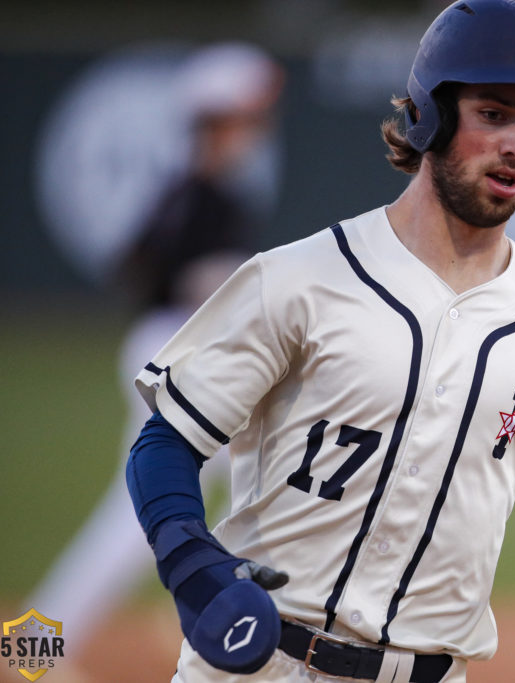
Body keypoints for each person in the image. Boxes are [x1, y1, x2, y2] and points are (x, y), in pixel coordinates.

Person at [125, 2, 515, 681]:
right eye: (495, 113)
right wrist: (191, 561)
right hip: (263, 663)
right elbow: (166, 440)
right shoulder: (298, 278)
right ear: (432, 114)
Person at [26, 42, 284, 664]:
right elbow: (174, 279)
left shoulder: (197, 190)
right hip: (180, 361)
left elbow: (135, 263)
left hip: (176, 354)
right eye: (249, 112)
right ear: (220, 116)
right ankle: (36, 644)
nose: (259, 125)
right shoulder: (204, 197)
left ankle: (43, 641)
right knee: (154, 517)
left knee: (245, 494)